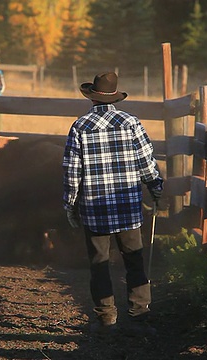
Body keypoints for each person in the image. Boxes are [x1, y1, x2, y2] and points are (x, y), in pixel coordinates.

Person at [63, 71, 163, 336]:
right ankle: (139, 315)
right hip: (127, 205)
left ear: (92, 97)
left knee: (99, 262)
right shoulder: (131, 122)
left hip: (94, 207)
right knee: (134, 260)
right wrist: (156, 188)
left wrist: (70, 205)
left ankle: (107, 317)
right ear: (115, 97)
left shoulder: (80, 126)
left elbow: (73, 172)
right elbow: (146, 162)